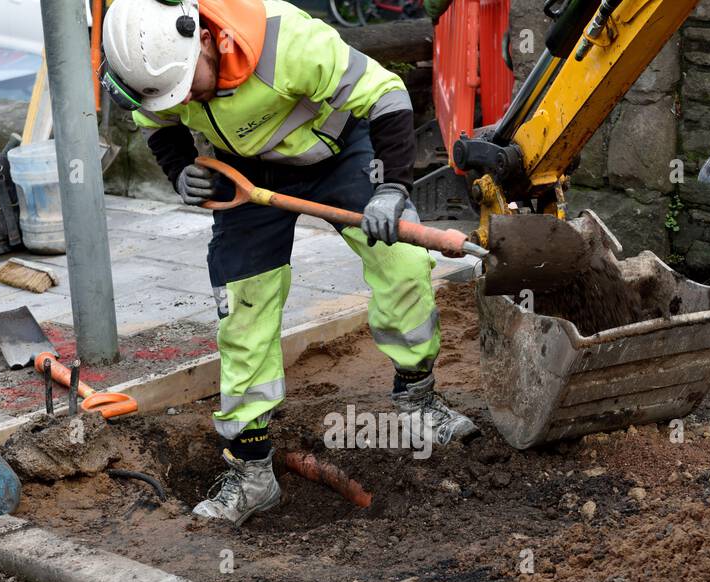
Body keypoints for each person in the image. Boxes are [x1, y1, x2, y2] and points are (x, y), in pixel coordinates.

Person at [102, 0, 477, 526]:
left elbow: (387, 92)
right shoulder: (156, 69)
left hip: (342, 153)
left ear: (205, 38)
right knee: (243, 307)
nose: (187, 98)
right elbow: (158, 122)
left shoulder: (287, 41)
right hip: (247, 176)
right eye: (177, 93)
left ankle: (417, 401)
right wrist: (182, 170)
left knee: (404, 264)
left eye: (191, 83)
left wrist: (392, 187)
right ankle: (253, 473)